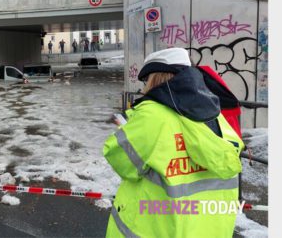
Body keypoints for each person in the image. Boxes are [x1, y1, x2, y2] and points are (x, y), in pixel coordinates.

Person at [104, 48, 244, 238]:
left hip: (161, 224)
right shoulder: (215, 113)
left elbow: (121, 161)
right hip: (211, 226)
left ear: (154, 79)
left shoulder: (152, 115)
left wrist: (126, 130)